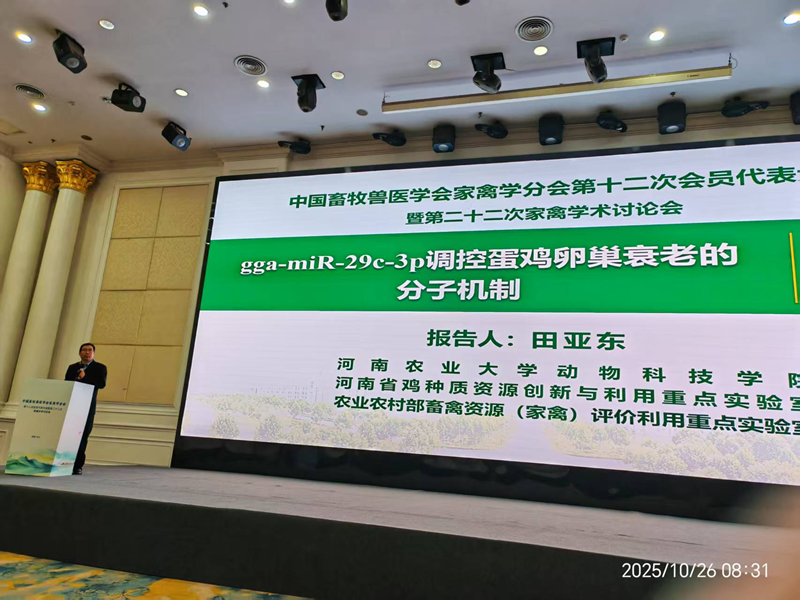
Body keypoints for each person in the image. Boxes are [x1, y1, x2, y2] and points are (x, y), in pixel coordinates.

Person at [64, 343, 107, 475]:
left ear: (93, 353)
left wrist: (85, 377)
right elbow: (67, 383)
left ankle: (77, 465)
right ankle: (64, 462)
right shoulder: (73, 367)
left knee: (82, 436)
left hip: (87, 407)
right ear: (79, 353)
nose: (87, 352)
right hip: (72, 406)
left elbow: (101, 384)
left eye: (90, 350)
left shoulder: (100, 368)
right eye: (84, 350)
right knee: (68, 435)